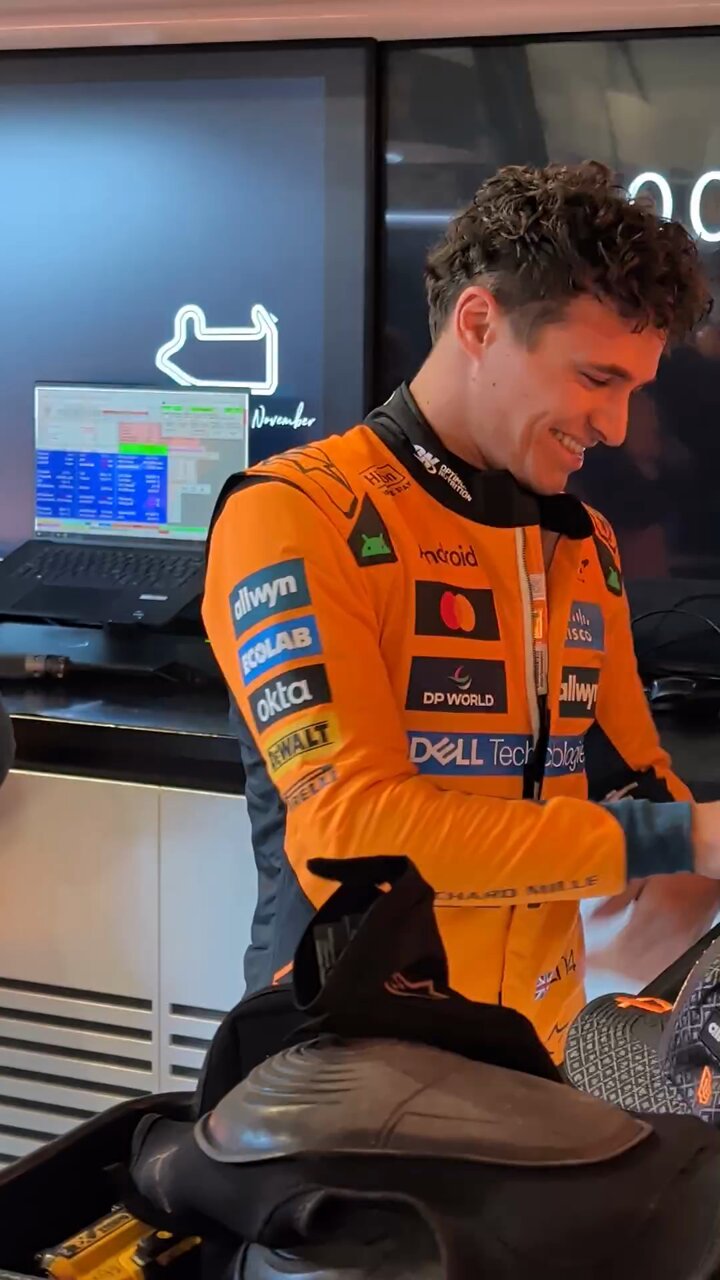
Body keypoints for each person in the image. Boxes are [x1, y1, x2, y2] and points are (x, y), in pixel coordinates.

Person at [203, 161, 720, 1060]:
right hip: (341, 1063)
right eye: (596, 378)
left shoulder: (583, 542)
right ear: (479, 324)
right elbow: (356, 830)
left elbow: (642, 794)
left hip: (530, 1056)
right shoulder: (296, 513)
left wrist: (691, 848)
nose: (616, 426)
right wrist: (685, 835)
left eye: (634, 389)